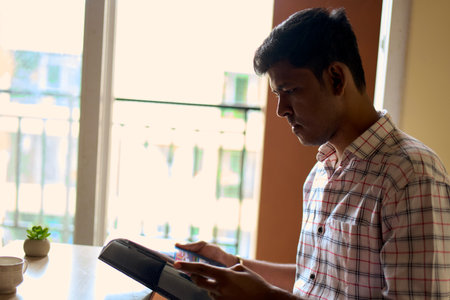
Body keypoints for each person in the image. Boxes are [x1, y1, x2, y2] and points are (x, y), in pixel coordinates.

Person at [174, 7, 450, 299]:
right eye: (277, 95)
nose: (282, 110)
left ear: (335, 78)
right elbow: (319, 281)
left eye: (290, 90)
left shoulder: (411, 176)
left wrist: (266, 297)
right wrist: (232, 264)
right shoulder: (320, 173)